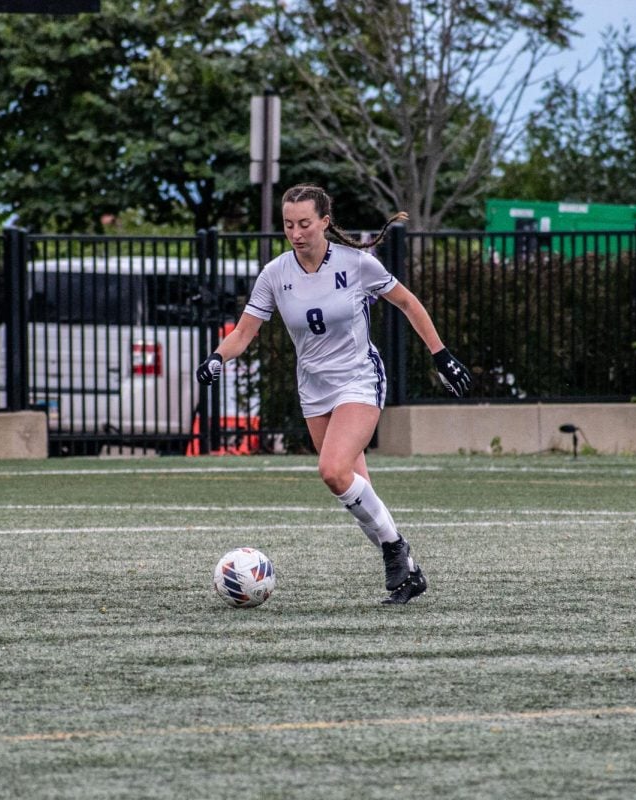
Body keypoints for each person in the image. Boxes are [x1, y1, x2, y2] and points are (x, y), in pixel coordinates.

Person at [196, 184, 472, 604]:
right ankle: (409, 573)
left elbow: (408, 303)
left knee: (332, 470)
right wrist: (217, 357)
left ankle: (396, 551)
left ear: (325, 221)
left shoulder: (357, 264)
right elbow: (244, 333)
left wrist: (441, 355)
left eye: (305, 223)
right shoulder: (275, 274)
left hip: (359, 380)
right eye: (289, 224)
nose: (296, 232)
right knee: (354, 485)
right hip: (314, 389)